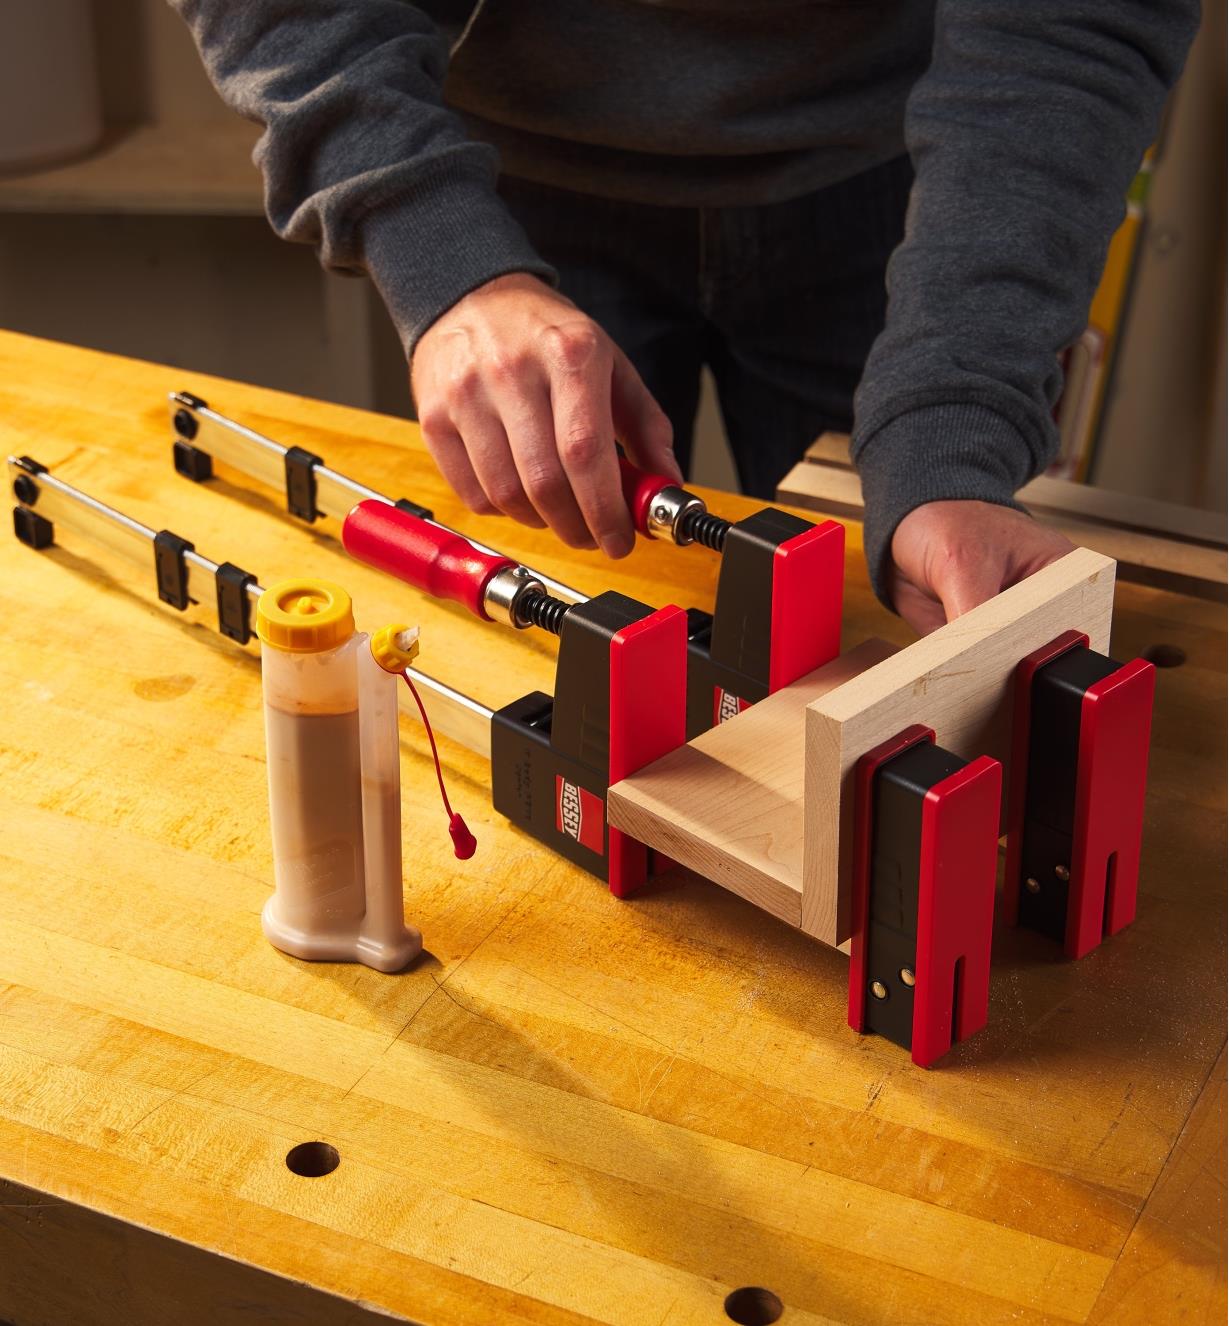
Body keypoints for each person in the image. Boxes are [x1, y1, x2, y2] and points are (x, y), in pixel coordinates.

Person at [172, 1, 1198, 634]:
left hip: (907, 190)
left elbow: (1068, 25)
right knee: (564, 634)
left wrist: (955, 414)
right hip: (500, 193)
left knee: (912, 615)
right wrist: (440, 254)